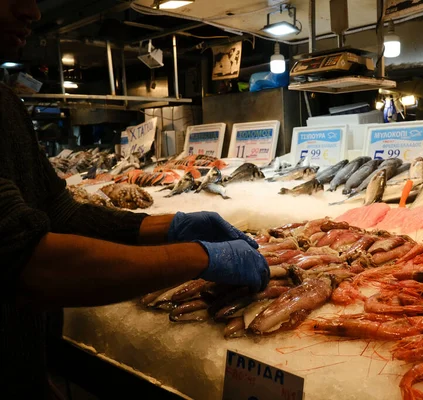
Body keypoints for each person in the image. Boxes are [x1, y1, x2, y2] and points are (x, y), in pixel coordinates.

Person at [0, 1, 269, 398]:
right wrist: (201, 257)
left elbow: (60, 212)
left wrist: (171, 225)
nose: (35, 12)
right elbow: (26, 262)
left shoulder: (6, 103)